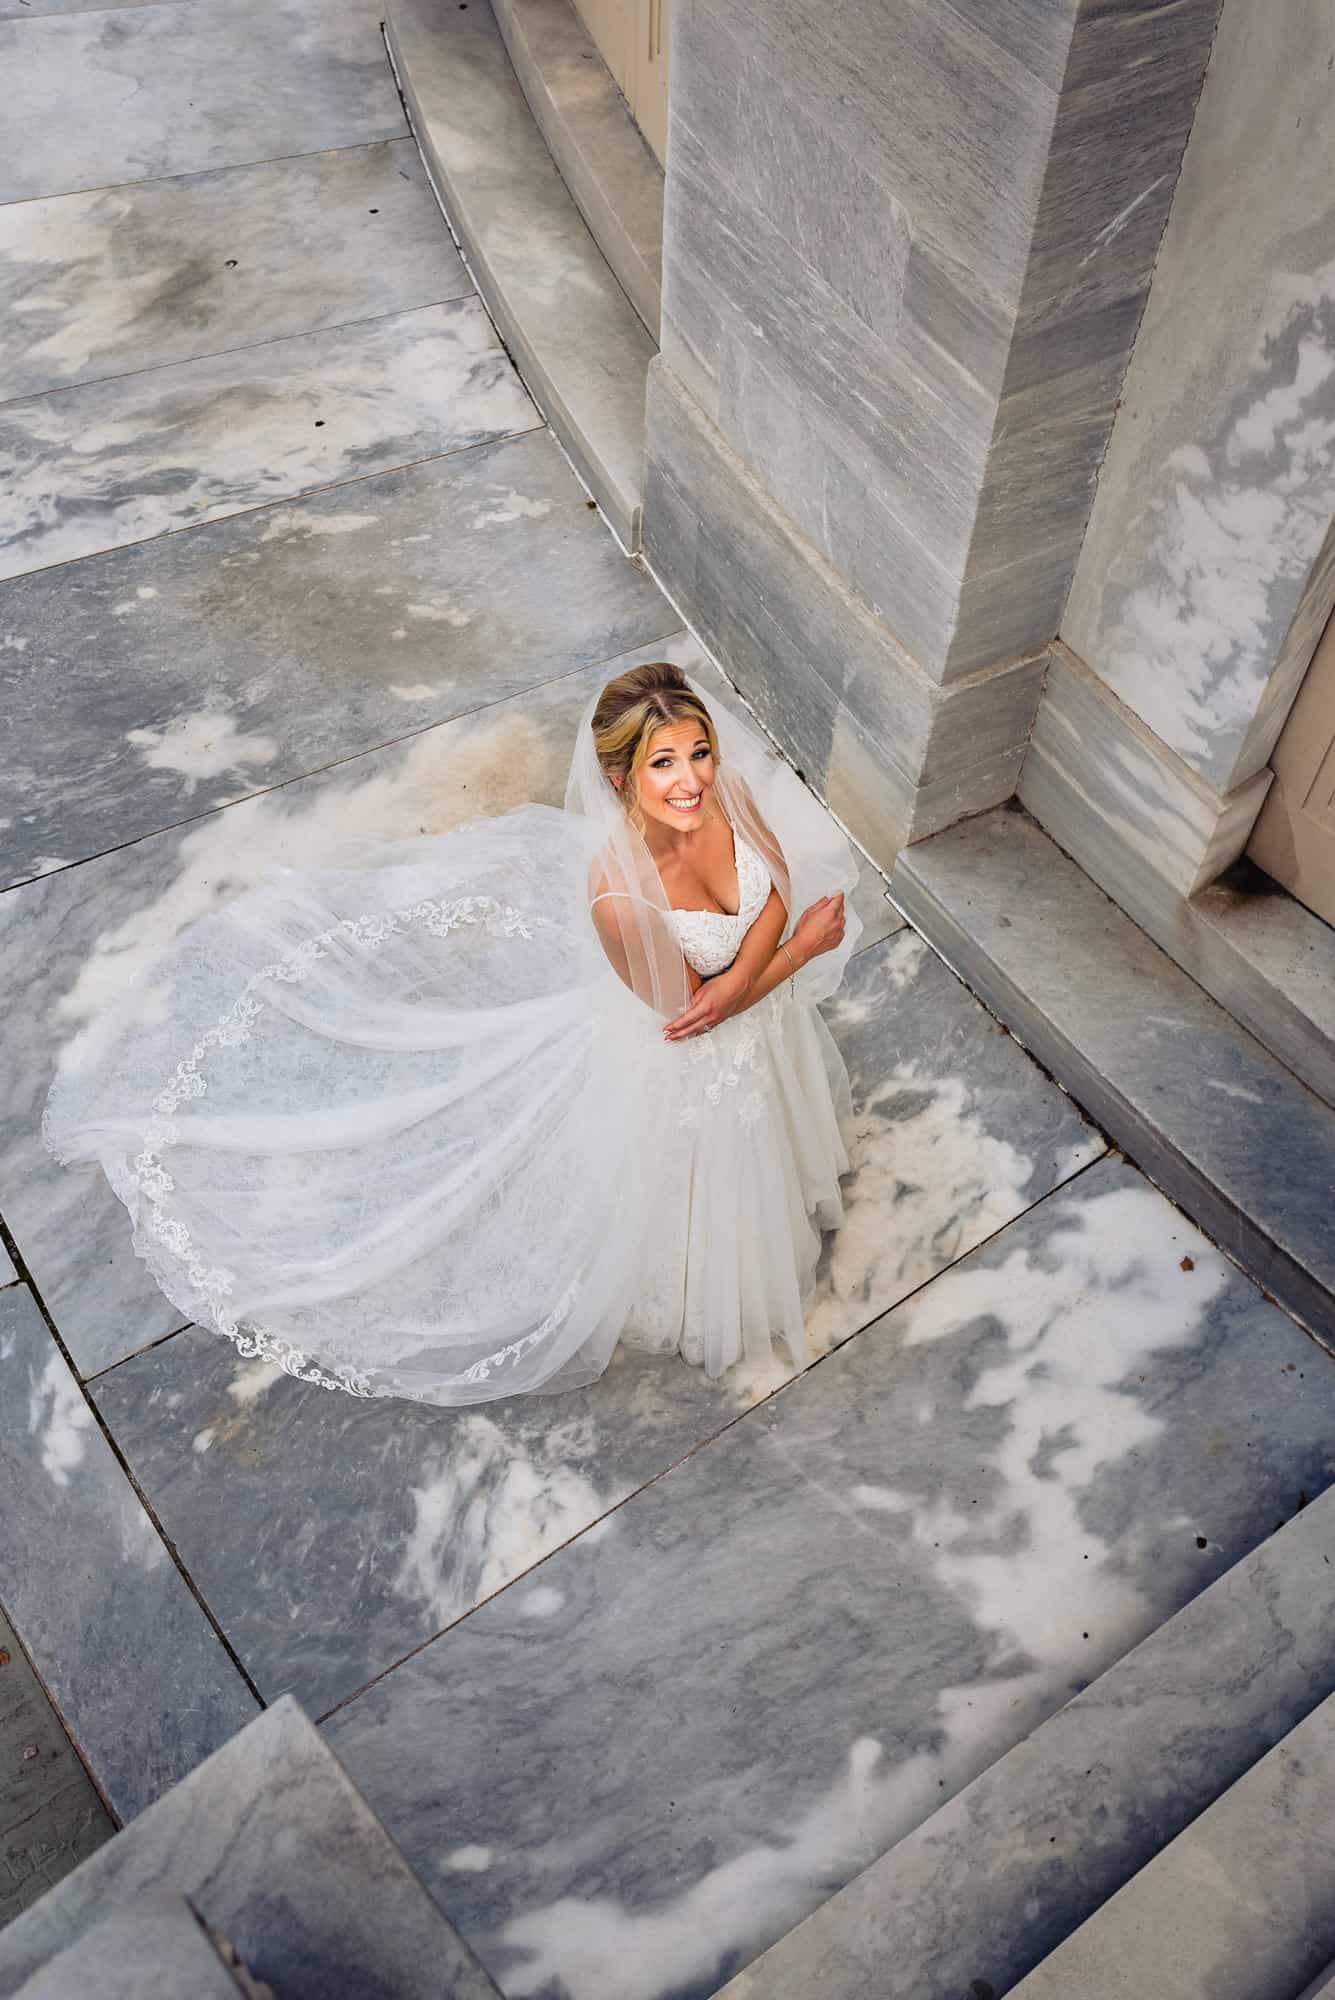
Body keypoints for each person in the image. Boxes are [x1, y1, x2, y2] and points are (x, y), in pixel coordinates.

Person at [44, 662, 862, 1404]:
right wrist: (799, 953)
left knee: (774, 1124)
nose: (689, 782)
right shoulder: (619, 897)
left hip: (760, 1022)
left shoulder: (726, 795)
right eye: (662, 764)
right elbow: (698, 1014)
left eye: (696, 754)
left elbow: (777, 890)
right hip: (696, 1057)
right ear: (620, 778)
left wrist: (777, 944)